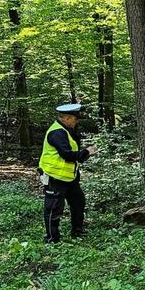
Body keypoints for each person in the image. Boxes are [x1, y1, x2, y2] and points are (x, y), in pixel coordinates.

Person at [38, 104, 97, 243]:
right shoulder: (57, 132)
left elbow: (72, 153)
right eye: (75, 119)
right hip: (55, 177)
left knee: (78, 203)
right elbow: (66, 154)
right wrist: (86, 152)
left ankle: (78, 232)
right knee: (53, 208)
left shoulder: (67, 130)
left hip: (70, 177)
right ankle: (52, 239)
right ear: (67, 118)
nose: (76, 122)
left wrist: (84, 154)